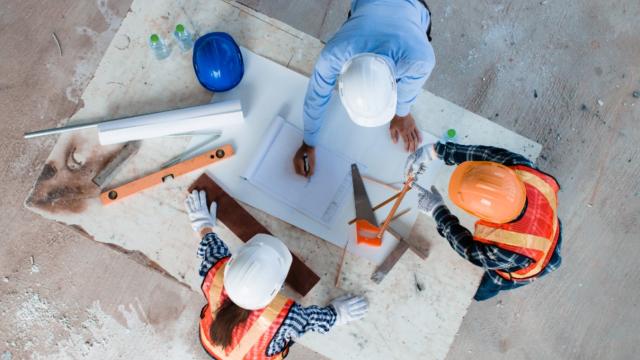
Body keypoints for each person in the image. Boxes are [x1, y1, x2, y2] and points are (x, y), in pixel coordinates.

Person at [185, 190, 369, 359]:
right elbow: (310, 321)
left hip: (209, 341)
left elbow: (211, 248)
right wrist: (337, 314)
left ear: (231, 263)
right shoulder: (284, 318)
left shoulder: (214, 273)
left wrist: (203, 225)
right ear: (277, 289)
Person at [293, 0, 436, 177]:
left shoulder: (419, 60)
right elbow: (316, 96)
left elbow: (408, 89)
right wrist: (309, 142)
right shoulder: (333, 55)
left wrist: (402, 113)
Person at [405, 142, 562, 300]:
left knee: (491, 283)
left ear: (486, 216)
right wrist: (436, 151)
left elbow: (468, 250)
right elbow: (487, 155)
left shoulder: (506, 249)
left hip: (531, 263)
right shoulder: (522, 170)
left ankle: (480, 295)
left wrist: (438, 211)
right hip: (549, 226)